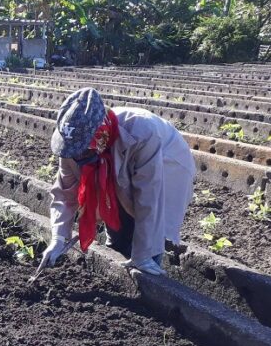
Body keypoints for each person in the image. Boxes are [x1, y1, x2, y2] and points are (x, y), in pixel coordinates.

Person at [37, 88, 196, 276]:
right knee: (115, 211)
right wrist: (59, 237)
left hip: (167, 163)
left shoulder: (142, 133)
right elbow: (64, 194)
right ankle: (119, 251)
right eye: (75, 151)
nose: (77, 156)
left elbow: (149, 198)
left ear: (100, 134)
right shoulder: (72, 145)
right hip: (116, 162)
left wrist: (143, 254)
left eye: (83, 151)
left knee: (148, 234)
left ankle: (150, 266)